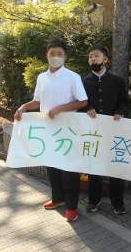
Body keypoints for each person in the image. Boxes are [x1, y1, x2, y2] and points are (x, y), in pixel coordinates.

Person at [14, 38, 88, 223]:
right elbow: (37, 101)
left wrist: (60, 108)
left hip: (68, 130)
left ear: (65, 56)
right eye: (52, 53)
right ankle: (57, 198)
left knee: (68, 169)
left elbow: (83, 101)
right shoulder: (42, 77)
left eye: (59, 54)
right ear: (46, 55)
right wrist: (24, 107)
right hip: (48, 129)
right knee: (52, 165)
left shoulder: (72, 77)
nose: (55, 57)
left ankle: (71, 207)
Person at [83, 44, 130, 215]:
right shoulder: (83, 81)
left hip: (113, 130)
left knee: (115, 167)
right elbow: (80, 102)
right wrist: (87, 107)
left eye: (96, 55)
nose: (92, 59)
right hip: (93, 131)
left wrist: (120, 111)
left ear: (105, 59)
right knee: (94, 167)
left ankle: (118, 202)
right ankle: (93, 200)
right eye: (90, 57)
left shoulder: (117, 81)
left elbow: (125, 102)